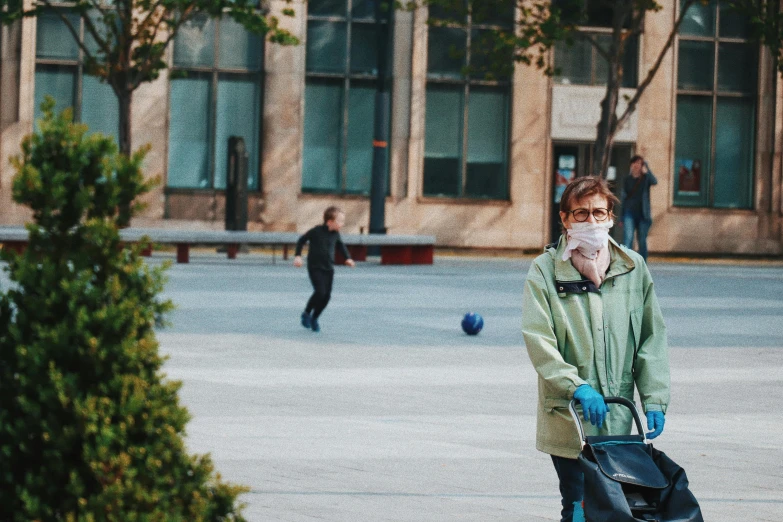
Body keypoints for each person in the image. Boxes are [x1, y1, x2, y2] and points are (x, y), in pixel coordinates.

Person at [521, 176, 669, 522]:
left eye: (598, 213)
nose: (591, 221)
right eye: (581, 214)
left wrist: (655, 398)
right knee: (578, 506)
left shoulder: (632, 267)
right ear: (564, 218)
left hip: (618, 418)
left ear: (611, 216)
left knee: (617, 509)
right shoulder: (545, 270)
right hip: (570, 416)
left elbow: (652, 337)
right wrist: (577, 386)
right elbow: (539, 340)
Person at [294, 206, 355, 332]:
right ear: (330, 222)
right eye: (340, 221)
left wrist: (348, 258)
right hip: (315, 267)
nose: (342, 224)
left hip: (328, 268)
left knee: (326, 296)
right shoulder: (316, 231)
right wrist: (298, 256)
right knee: (320, 292)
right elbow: (301, 240)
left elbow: (341, 247)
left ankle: (314, 318)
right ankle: (306, 313)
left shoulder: (336, 234)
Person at [621, 155, 658, 261]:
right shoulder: (627, 179)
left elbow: (655, 181)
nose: (637, 165)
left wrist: (648, 169)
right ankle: (626, 264)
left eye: (640, 163)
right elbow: (623, 198)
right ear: (631, 164)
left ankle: (643, 264)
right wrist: (622, 216)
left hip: (643, 214)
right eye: (635, 163)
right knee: (628, 239)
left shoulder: (646, 178)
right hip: (629, 213)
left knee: (642, 240)